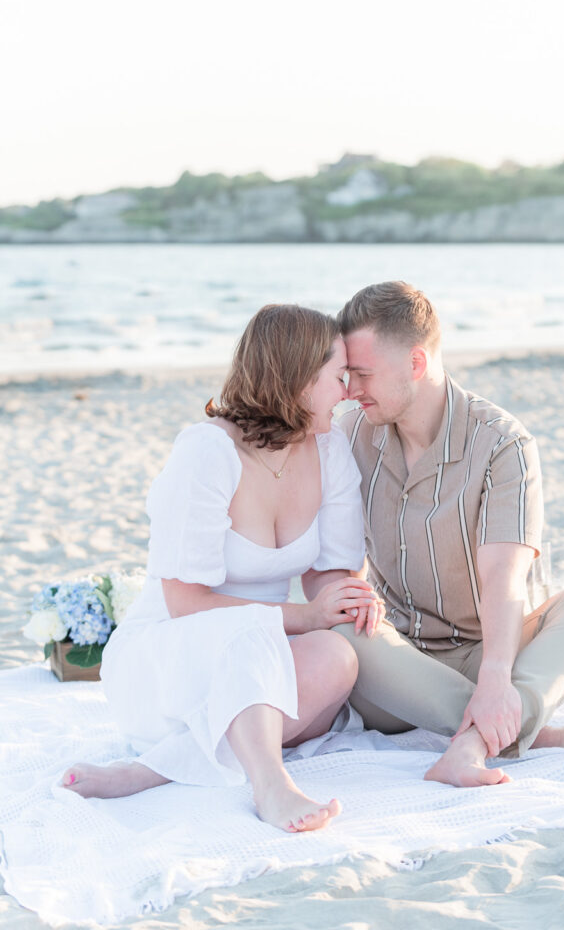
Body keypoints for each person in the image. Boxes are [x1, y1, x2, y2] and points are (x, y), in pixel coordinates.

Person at [62, 304, 383, 833]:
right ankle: (271, 785)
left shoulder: (330, 448)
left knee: (337, 658)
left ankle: (155, 770)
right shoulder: (206, 452)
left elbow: (331, 573)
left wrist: (348, 597)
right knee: (250, 637)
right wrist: (304, 617)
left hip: (261, 655)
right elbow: (185, 603)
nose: (348, 391)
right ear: (298, 379)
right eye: (338, 377)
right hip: (170, 656)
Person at [329, 281, 564, 788]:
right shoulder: (353, 435)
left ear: (416, 364)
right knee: (338, 633)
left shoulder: (501, 443)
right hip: (398, 666)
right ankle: (535, 732)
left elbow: (504, 580)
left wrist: (494, 678)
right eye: (345, 375)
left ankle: (472, 741)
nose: (351, 390)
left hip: (493, 651)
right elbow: (339, 561)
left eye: (362, 374)